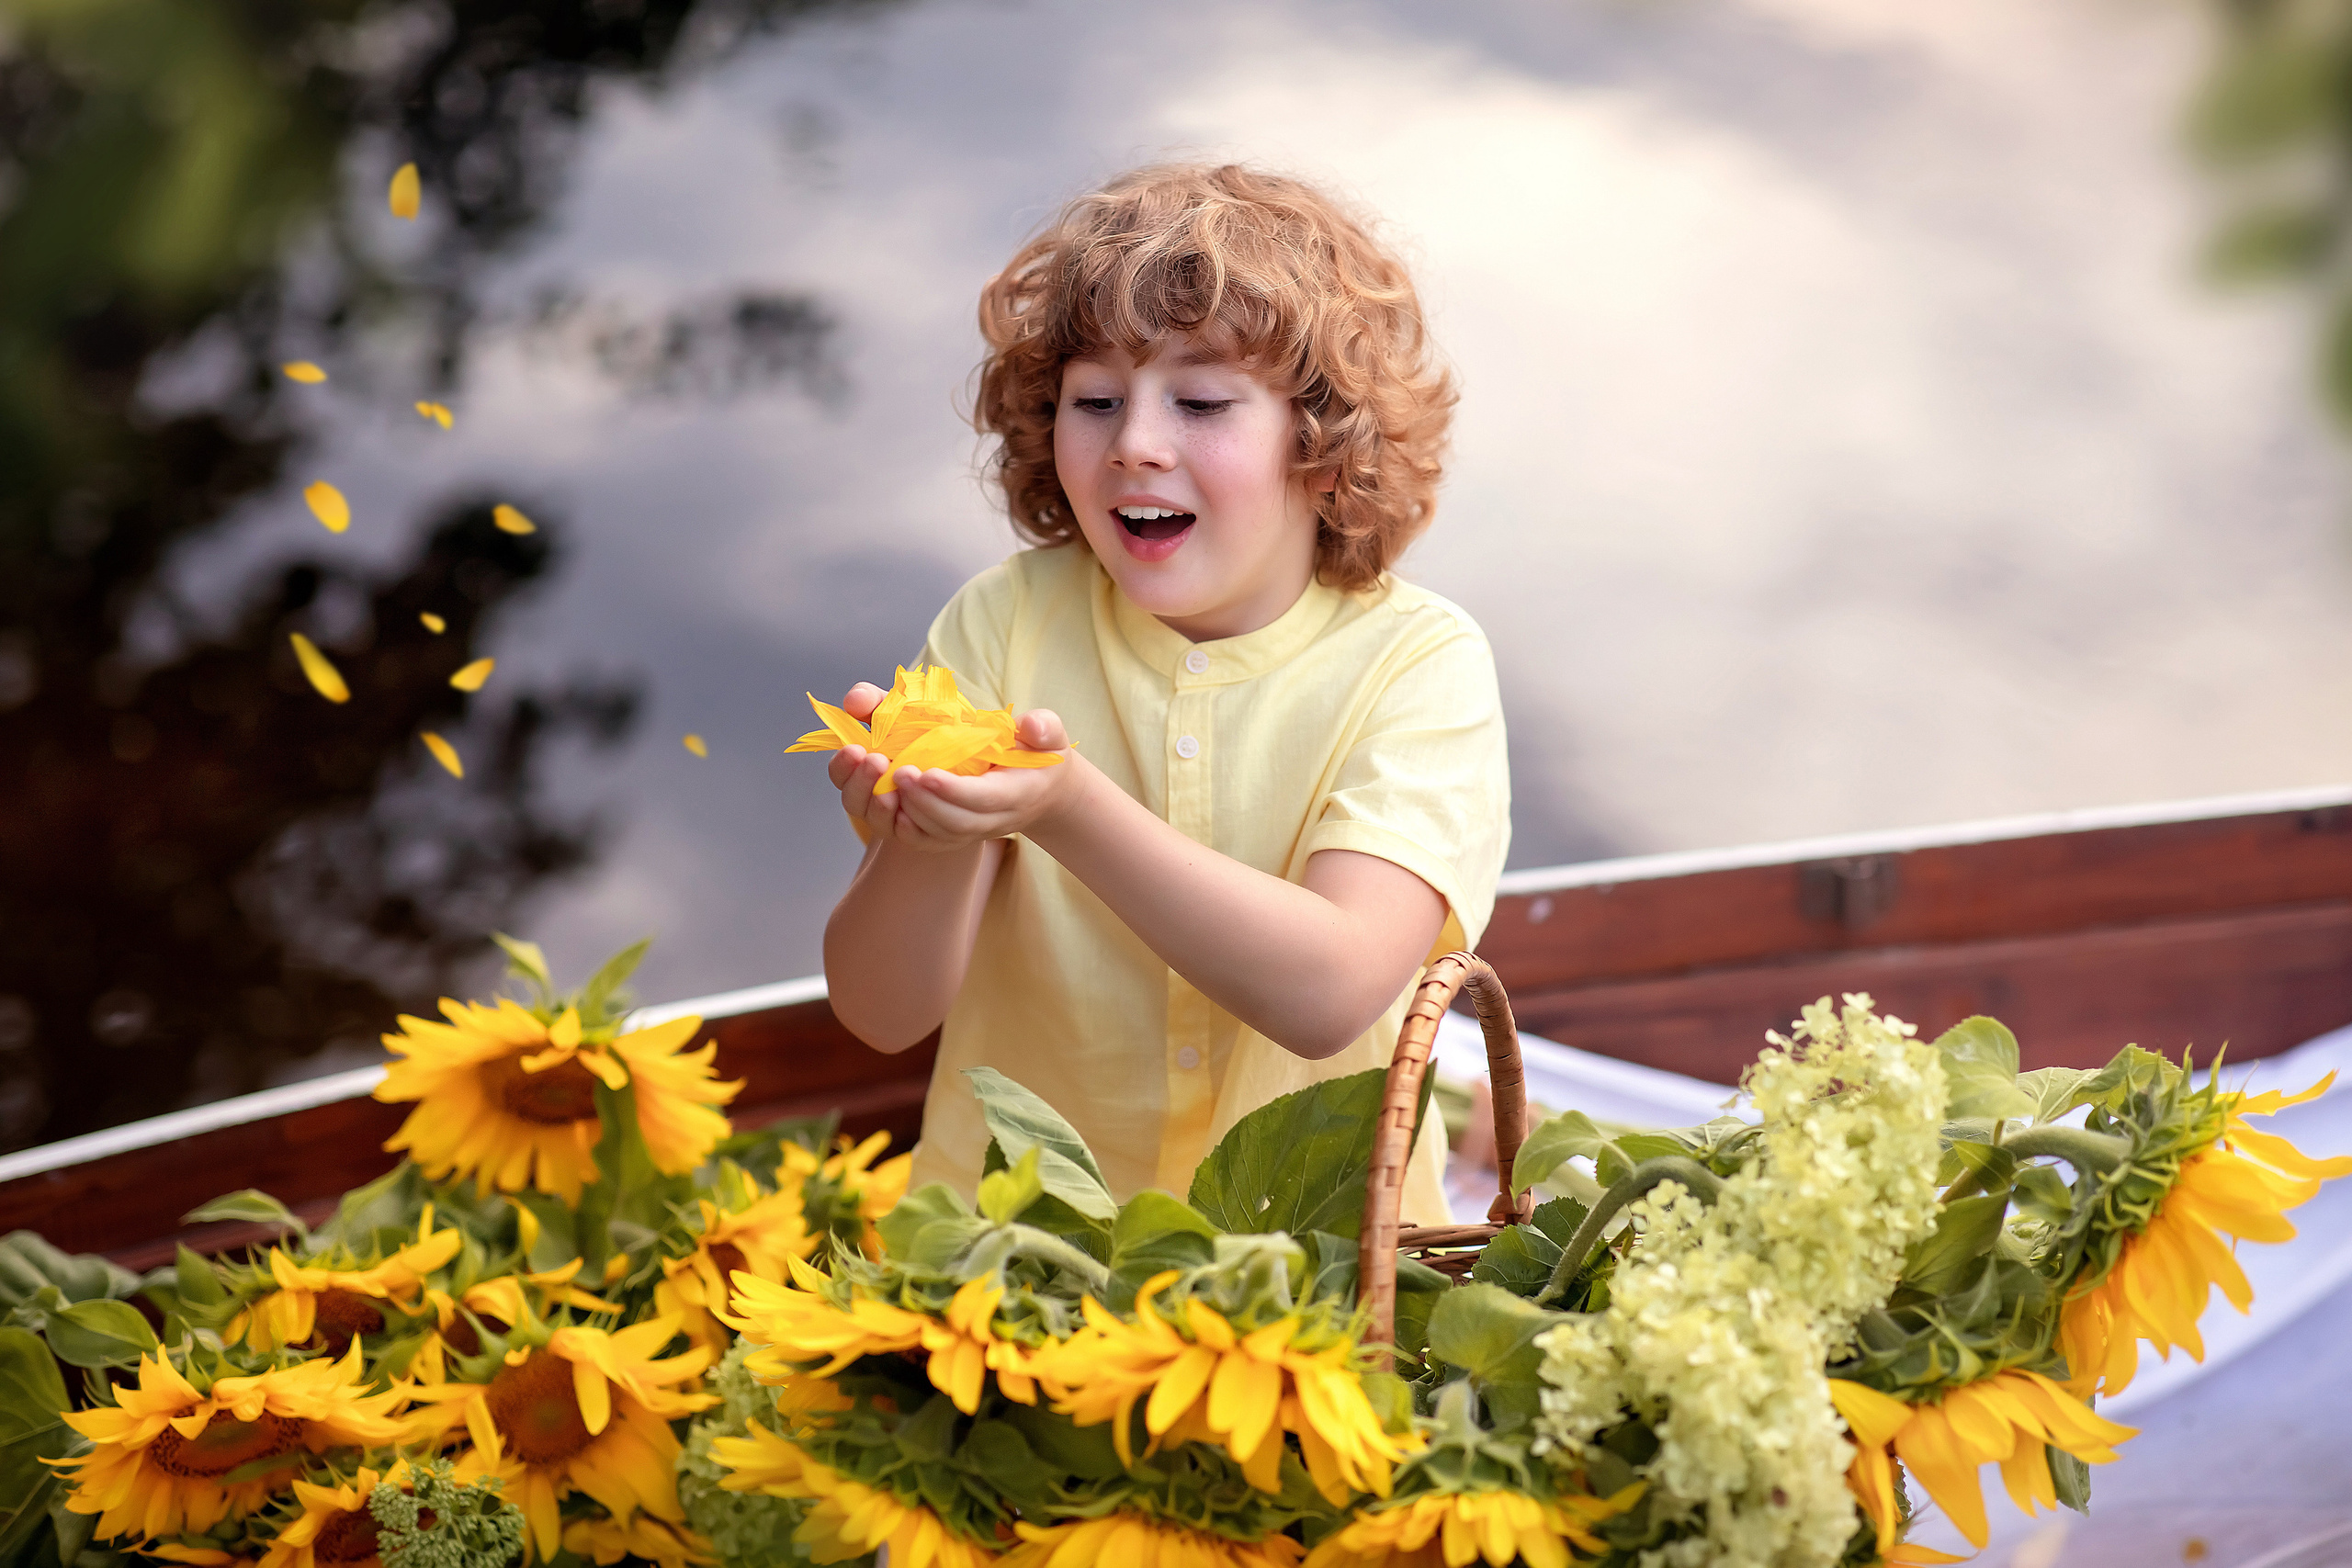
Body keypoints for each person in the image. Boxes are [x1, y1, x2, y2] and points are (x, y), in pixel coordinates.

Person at [815, 164, 1510, 1224]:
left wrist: (1068, 808)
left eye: (1198, 401)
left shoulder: (1419, 664)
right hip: (1004, 1262)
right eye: (1094, 401)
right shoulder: (1003, 622)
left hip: (1312, 1279)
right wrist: (925, 845)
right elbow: (880, 1013)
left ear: (1323, 448)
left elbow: (1328, 991)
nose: (1135, 441)